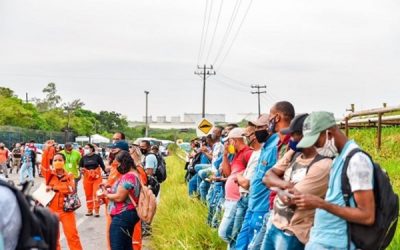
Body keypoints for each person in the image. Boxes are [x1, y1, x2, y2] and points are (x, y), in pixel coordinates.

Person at [292, 111, 375, 250]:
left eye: (316, 142)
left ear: (329, 133)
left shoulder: (357, 161)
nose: (316, 147)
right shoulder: (338, 158)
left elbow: (367, 215)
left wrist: (321, 204)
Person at [262, 113, 332, 249]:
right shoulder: (294, 154)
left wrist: (275, 186)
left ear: (306, 136)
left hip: (292, 233)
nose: (291, 139)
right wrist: (284, 185)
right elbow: (266, 177)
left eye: (294, 135)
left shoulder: (323, 164)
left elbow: (290, 200)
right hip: (275, 224)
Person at [229, 123, 263, 248]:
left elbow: (247, 183)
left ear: (253, 136)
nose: (246, 138)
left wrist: (239, 176)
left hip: (250, 198)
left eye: (247, 135)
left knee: (239, 235)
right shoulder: (255, 152)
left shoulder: (255, 153)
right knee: (239, 236)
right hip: (244, 198)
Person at [218, 128, 253, 243]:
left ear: (234, 141)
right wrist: (225, 155)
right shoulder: (236, 155)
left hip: (237, 199)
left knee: (225, 233)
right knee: (231, 233)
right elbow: (227, 173)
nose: (227, 144)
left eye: (228, 142)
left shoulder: (248, 153)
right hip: (230, 199)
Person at [103, 151, 141, 250]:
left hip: (122, 215)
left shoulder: (129, 176)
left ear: (124, 162)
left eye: (118, 164)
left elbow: (120, 197)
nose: (118, 167)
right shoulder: (135, 174)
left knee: (117, 246)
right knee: (126, 245)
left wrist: (106, 194)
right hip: (127, 215)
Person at [47, 153, 83, 250]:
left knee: (72, 236)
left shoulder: (69, 175)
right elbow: (43, 164)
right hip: (51, 210)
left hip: (66, 210)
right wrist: (47, 150)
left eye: (60, 160)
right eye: (55, 160)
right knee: (53, 238)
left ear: (64, 162)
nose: (57, 162)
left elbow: (70, 189)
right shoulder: (49, 175)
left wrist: (53, 188)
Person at [79, 143, 106, 217]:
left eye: (87, 148)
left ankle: (96, 210)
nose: (86, 149)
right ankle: (89, 210)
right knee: (88, 195)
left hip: (96, 178)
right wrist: (81, 170)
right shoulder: (83, 158)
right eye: (85, 148)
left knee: (96, 194)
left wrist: (107, 173)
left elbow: (103, 166)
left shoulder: (97, 157)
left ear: (91, 149)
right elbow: (80, 167)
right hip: (87, 178)